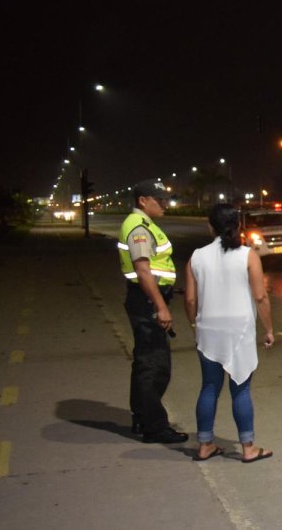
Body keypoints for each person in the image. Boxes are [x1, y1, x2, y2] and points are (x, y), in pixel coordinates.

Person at [183, 204, 275, 463]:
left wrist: (195, 325)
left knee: (209, 387)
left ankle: (204, 445)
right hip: (240, 330)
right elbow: (260, 296)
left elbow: (190, 300)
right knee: (241, 388)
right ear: (238, 226)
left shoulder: (196, 257)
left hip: (208, 329)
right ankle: (248, 448)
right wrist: (268, 329)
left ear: (209, 226)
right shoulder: (248, 256)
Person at [117, 179, 187, 443]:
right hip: (146, 302)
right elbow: (143, 270)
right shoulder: (138, 228)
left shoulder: (144, 225)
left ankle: (142, 418)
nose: (165, 204)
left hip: (145, 300)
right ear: (143, 200)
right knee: (155, 365)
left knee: (146, 362)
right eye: (160, 200)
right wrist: (160, 306)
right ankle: (155, 427)